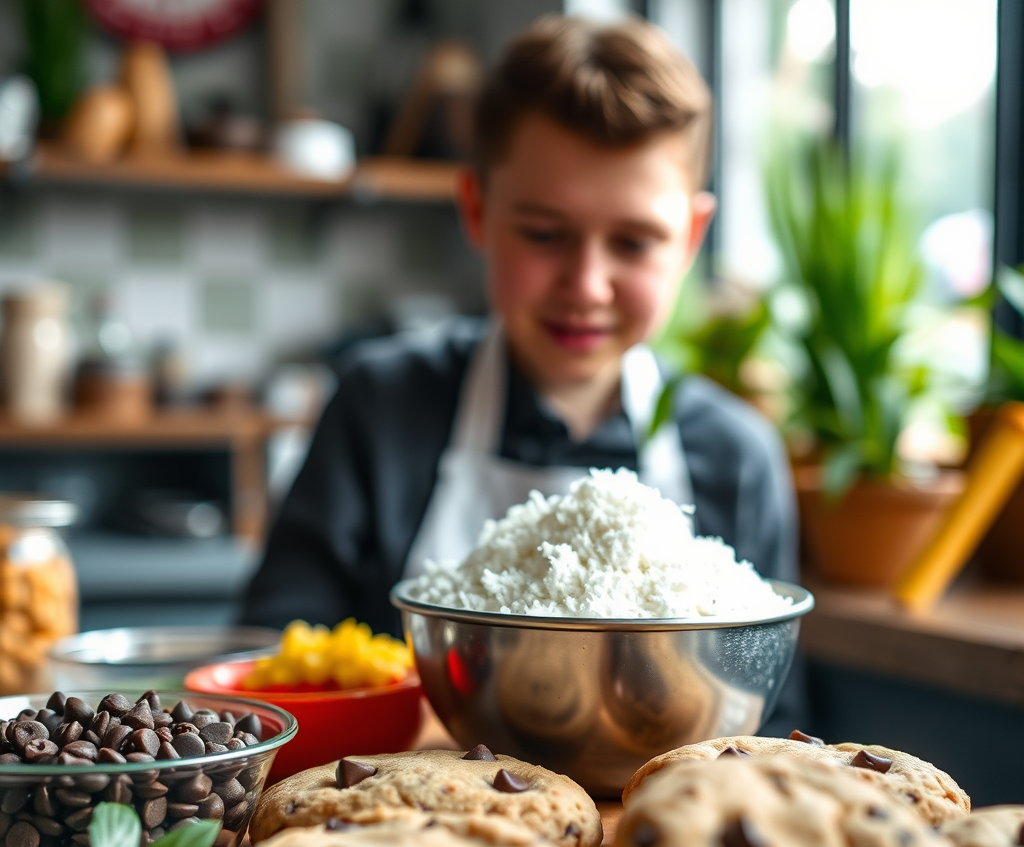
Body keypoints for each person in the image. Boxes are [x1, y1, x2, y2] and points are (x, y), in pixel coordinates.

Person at [242, 15, 803, 733]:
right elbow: (272, 671)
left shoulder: (738, 457)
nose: (587, 284)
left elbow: (773, 725)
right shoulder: (380, 406)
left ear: (691, 238)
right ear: (477, 210)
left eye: (633, 242)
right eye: (544, 234)